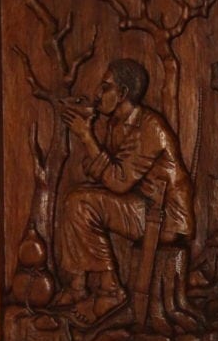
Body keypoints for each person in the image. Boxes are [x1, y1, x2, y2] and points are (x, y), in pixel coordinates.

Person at [56, 58, 195, 327]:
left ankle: (110, 291)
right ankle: (77, 286)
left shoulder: (149, 127)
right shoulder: (118, 124)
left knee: (80, 203)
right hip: (142, 204)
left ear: (122, 93)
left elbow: (118, 181)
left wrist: (86, 137)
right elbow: (100, 172)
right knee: (79, 197)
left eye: (105, 87)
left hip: (163, 217)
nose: (97, 94)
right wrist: (90, 133)